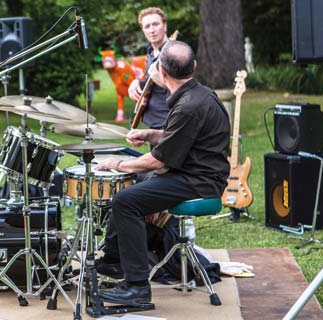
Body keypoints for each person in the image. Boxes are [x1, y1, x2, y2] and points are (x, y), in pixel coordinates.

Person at [95, 40, 231, 305]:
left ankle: (136, 287)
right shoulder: (199, 94)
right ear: (194, 66)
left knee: (125, 201)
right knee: (135, 185)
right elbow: (179, 138)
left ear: (163, 74)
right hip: (196, 172)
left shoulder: (188, 107)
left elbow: (158, 162)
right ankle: (115, 261)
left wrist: (117, 163)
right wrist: (151, 134)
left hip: (198, 182)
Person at [128, 7, 171, 130]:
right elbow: (152, 84)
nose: (152, 30)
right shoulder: (151, 53)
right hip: (153, 122)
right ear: (143, 30)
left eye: (155, 24)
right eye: (147, 26)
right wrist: (136, 83)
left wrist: (162, 81)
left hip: (170, 122)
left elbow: (185, 88)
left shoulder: (174, 52)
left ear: (165, 26)